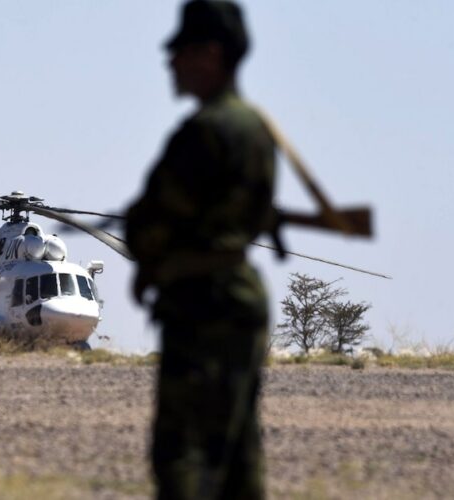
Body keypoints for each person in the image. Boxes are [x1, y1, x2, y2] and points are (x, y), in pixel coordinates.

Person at [125, 1, 275, 498]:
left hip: (201, 305)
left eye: (181, 53)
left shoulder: (204, 132)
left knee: (182, 453)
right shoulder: (255, 127)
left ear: (211, 54)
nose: (171, 64)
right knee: (237, 453)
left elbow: (151, 222)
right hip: (240, 300)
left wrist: (144, 243)